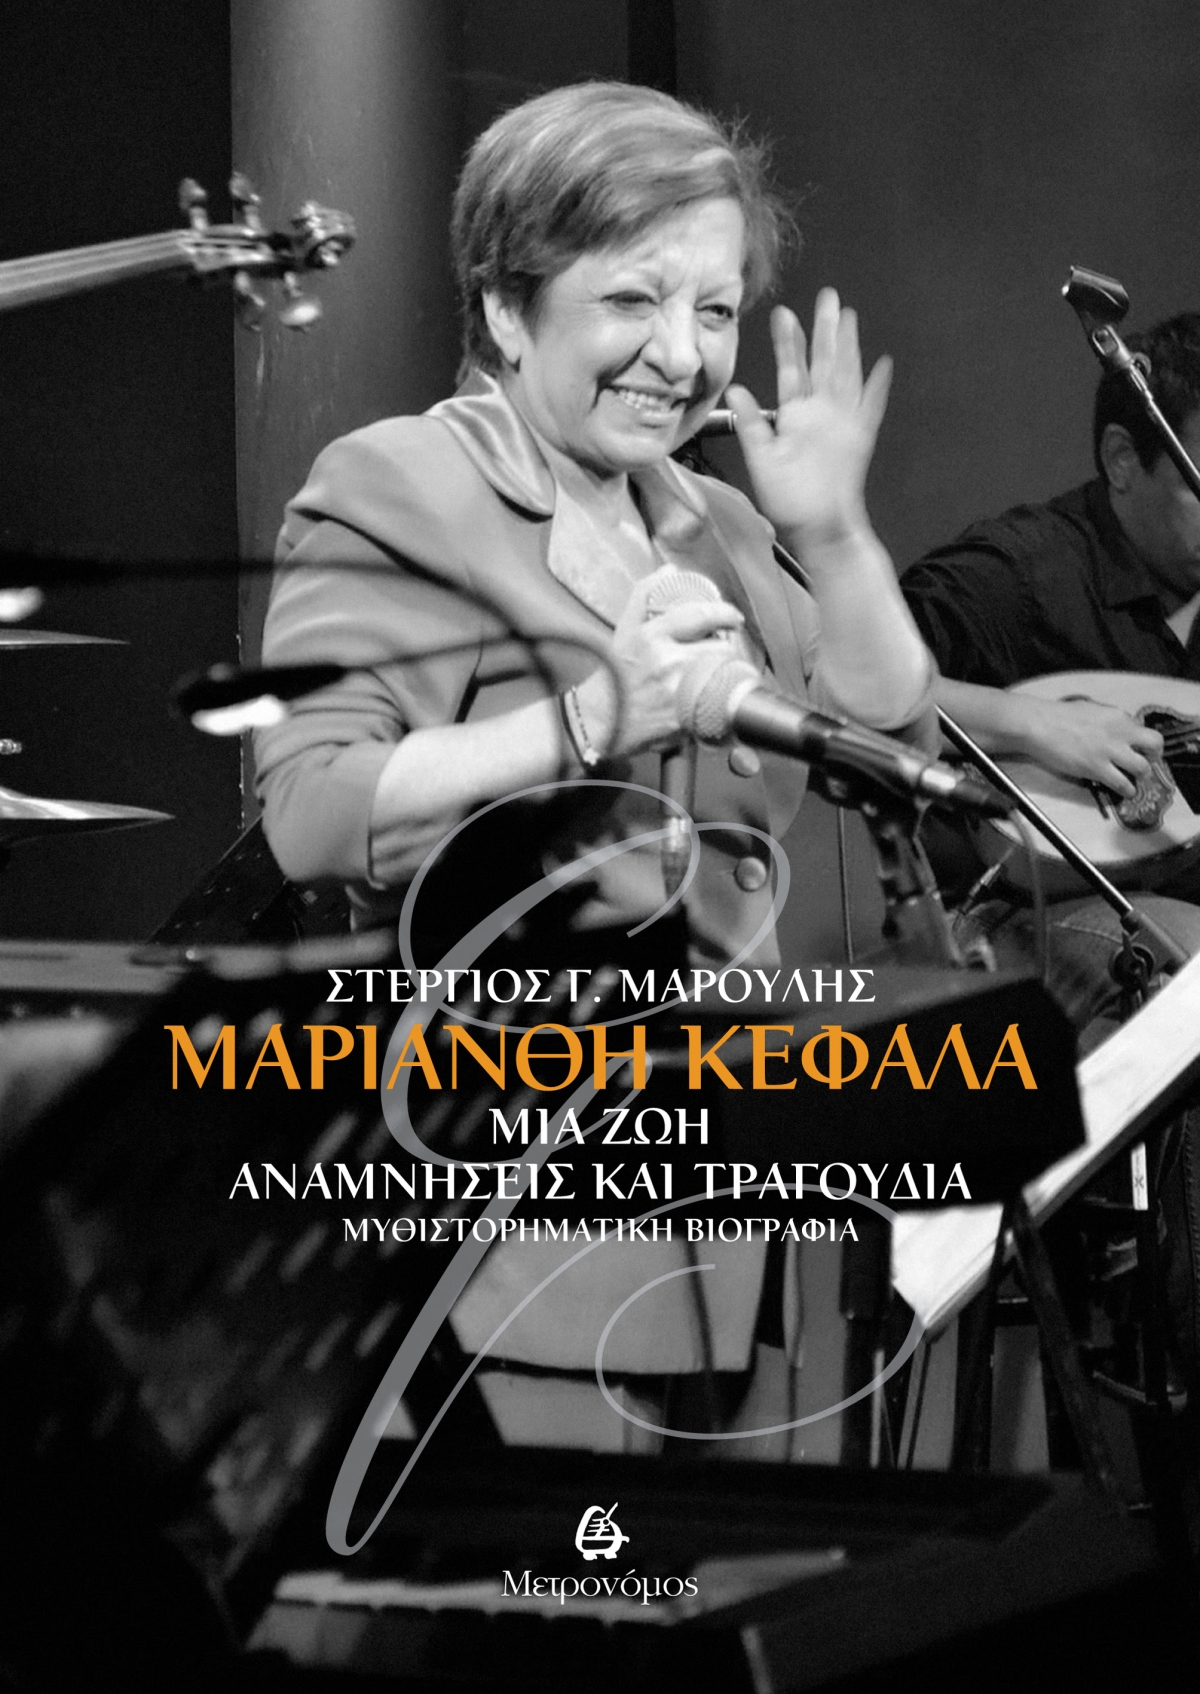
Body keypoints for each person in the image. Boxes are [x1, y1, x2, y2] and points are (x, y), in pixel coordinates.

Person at [255, 81, 935, 1450]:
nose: (681, 356)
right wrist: (586, 716)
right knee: (565, 1571)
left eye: (714, 310)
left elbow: (893, 754)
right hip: (509, 1221)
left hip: (732, 1207)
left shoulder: (715, 516)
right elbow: (313, 809)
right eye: (633, 299)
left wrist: (837, 537)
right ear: (507, 308)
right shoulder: (401, 483)